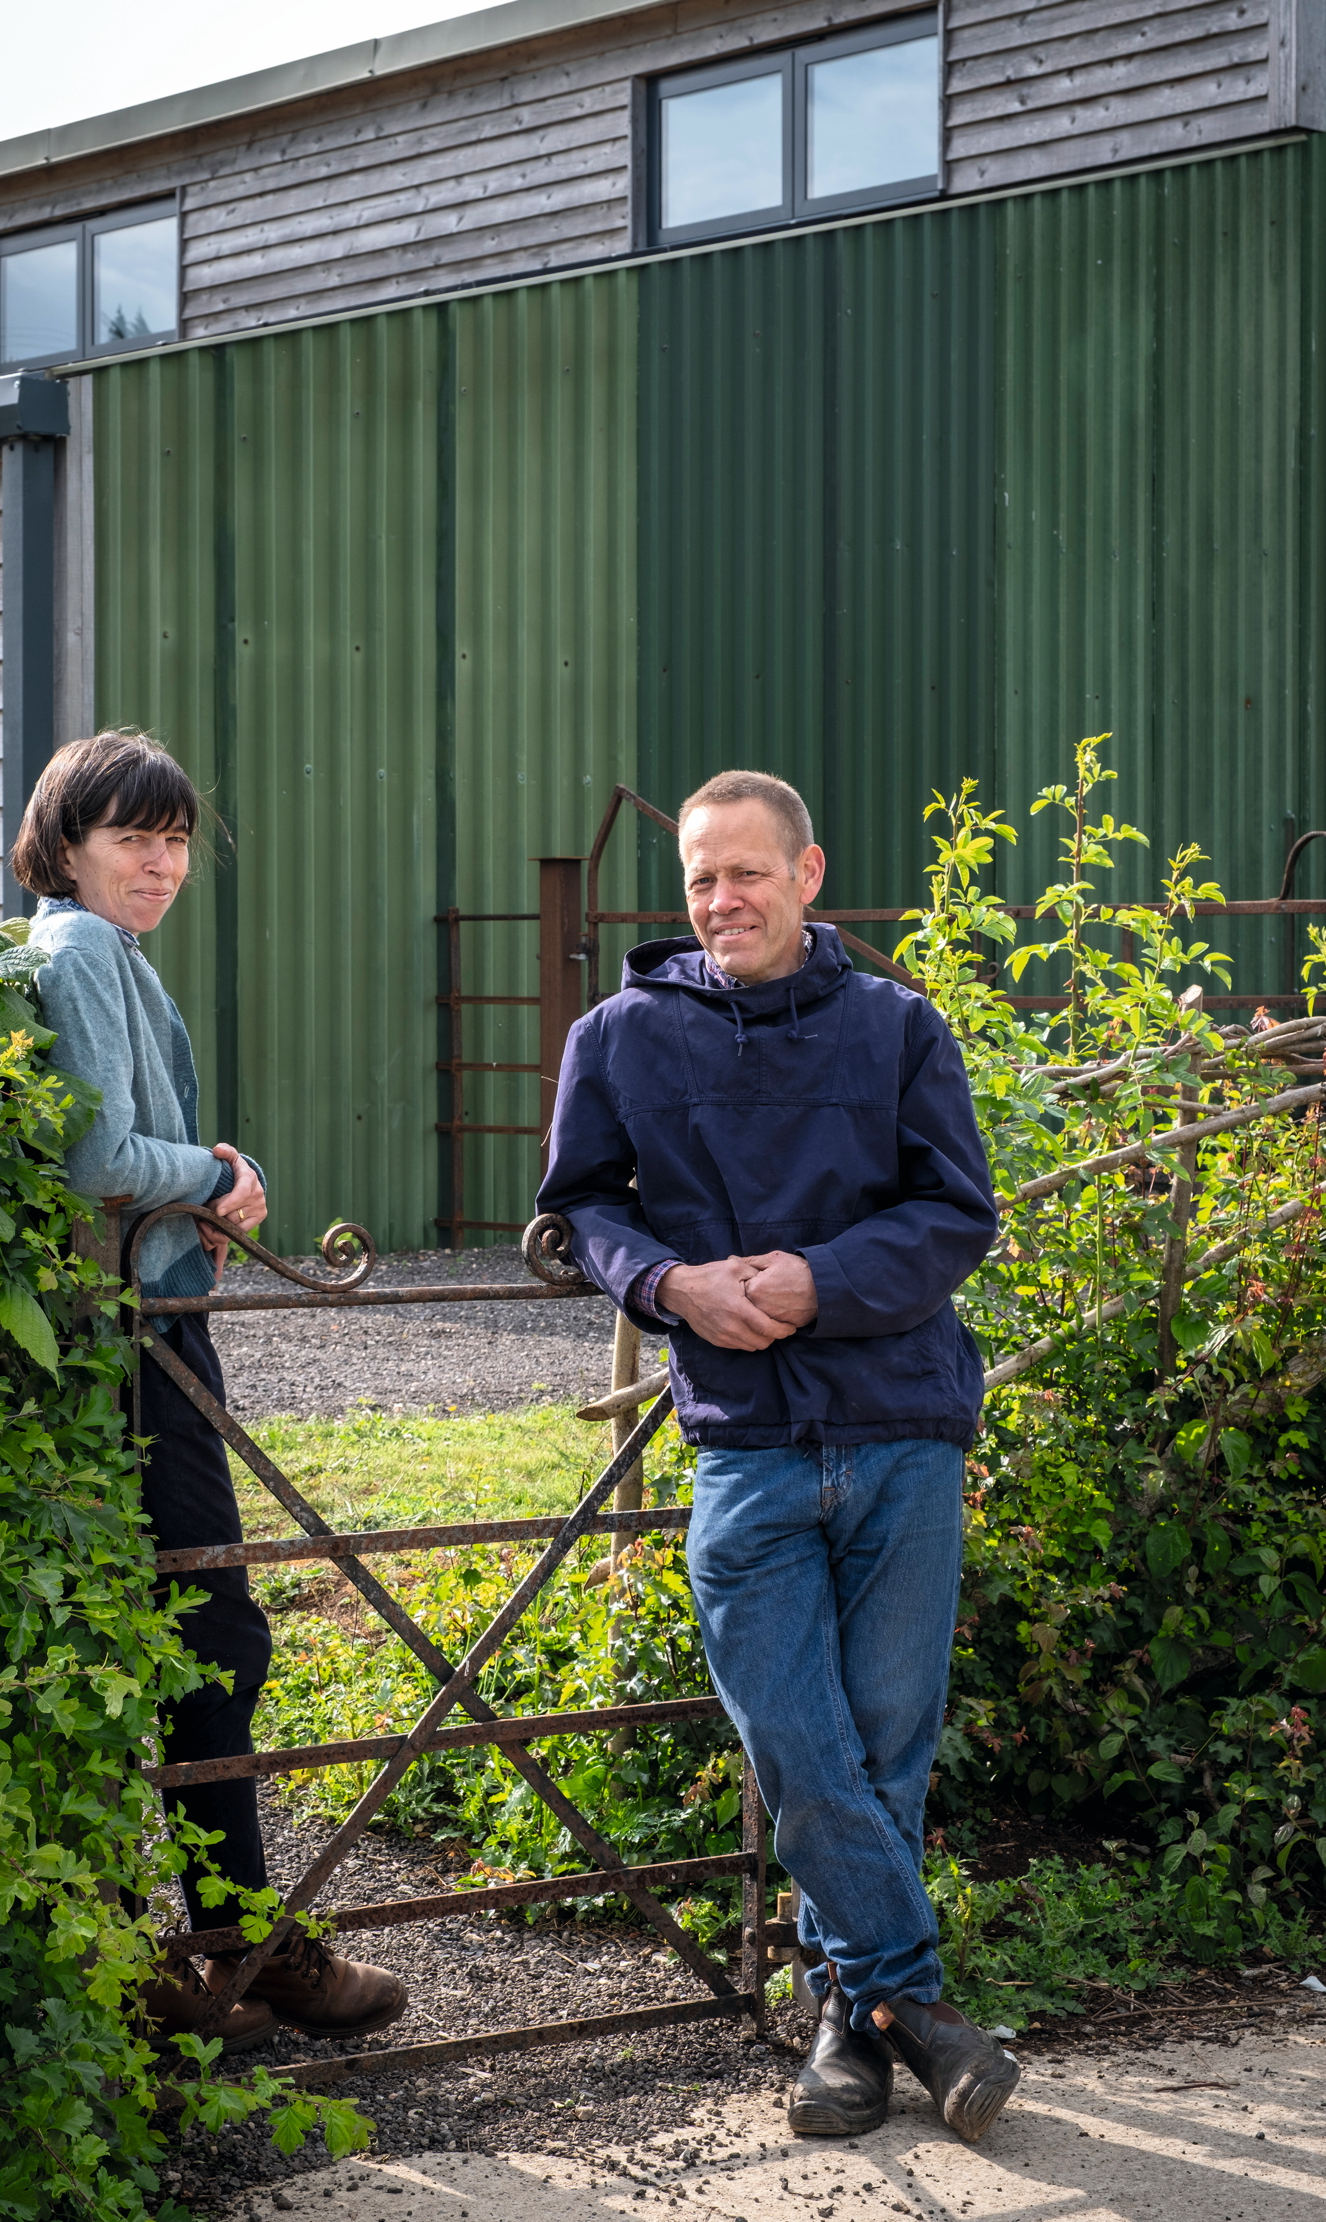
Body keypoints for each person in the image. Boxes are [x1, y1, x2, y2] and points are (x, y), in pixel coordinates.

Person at [536, 770, 1015, 2143]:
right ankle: (918, 2007)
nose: (721, 898)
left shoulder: (895, 1027)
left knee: (883, 1748)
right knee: (801, 1751)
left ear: (808, 875)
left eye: (747, 872)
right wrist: (672, 1286)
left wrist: (814, 1276)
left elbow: (954, 1211)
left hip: (902, 1427)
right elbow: (577, 1211)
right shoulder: (622, 1036)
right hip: (743, 1445)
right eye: (699, 877)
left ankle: (847, 2032)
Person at [14, 730, 407, 2052]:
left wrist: (195, 1199)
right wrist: (218, 1170)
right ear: (67, 842)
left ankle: (179, 1948)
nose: (161, 863)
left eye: (175, 839)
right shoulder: (75, 949)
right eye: (133, 835)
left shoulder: (104, 954)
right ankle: (221, 1948)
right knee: (208, 1632)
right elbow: (95, 1156)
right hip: (133, 1340)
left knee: (155, 1635)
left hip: (140, 1320)